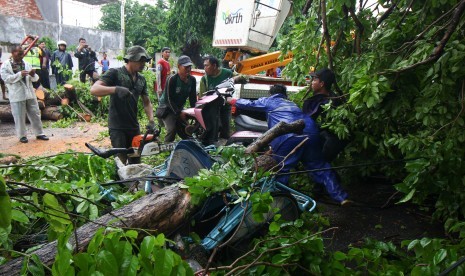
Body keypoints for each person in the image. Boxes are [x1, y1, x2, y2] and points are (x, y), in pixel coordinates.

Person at [227, 84, 349, 205]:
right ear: (285, 95)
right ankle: (341, 197)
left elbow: (250, 104)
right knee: (320, 167)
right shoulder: (292, 104)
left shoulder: (271, 101)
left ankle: (282, 202)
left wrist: (231, 100)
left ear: (271, 94)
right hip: (311, 133)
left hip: (290, 135)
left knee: (280, 169)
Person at [90, 46, 155, 164]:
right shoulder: (115, 73)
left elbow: (146, 102)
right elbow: (94, 89)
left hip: (134, 126)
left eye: (144, 61)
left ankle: (133, 182)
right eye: (140, 60)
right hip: (117, 126)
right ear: (130, 59)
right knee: (121, 161)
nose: (143, 64)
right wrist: (116, 89)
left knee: (135, 159)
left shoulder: (141, 80)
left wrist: (151, 120)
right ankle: (120, 182)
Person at [0, 46, 49, 143]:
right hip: (17, 95)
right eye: (19, 54)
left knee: (35, 113)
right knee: (19, 116)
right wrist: (19, 75)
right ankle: (22, 136)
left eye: (22, 54)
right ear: (13, 53)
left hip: (29, 93)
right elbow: (6, 79)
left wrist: (33, 74)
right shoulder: (6, 65)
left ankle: (39, 133)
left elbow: (35, 79)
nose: (22, 56)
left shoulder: (26, 63)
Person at [303, 68, 347, 162]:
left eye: (315, 80)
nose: (312, 82)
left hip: (332, 138)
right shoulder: (328, 97)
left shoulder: (332, 101)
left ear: (322, 84)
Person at [156, 55, 196, 143]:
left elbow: (193, 98)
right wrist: (179, 113)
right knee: (172, 129)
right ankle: (166, 149)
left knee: (186, 129)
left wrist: (195, 112)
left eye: (189, 67)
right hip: (166, 108)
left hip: (178, 108)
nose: (188, 69)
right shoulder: (172, 79)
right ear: (179, 66)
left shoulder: (192, 80)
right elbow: (168, 99)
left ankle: (189, 146)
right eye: (185, 67)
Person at [199, 56, 234, 141]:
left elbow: (237, 80)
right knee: (213, 129)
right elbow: (202, 97)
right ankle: (211, 145)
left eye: (207, 65)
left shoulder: (227, 73)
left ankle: (224, 145)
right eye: (204, 66)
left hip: (225, 105)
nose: (205, 68)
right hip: (212, 108)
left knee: (225, 129)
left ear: (214, 66)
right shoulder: (205, 79)